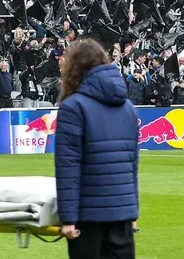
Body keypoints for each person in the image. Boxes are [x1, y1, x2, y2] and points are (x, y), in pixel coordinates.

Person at [54, 40, 139, 259]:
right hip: (122, 214)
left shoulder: (72, 108)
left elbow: (68, 167)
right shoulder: (128, 107)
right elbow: (132, 164)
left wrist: (68, 218)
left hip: (88, 216)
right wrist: (132, 210)